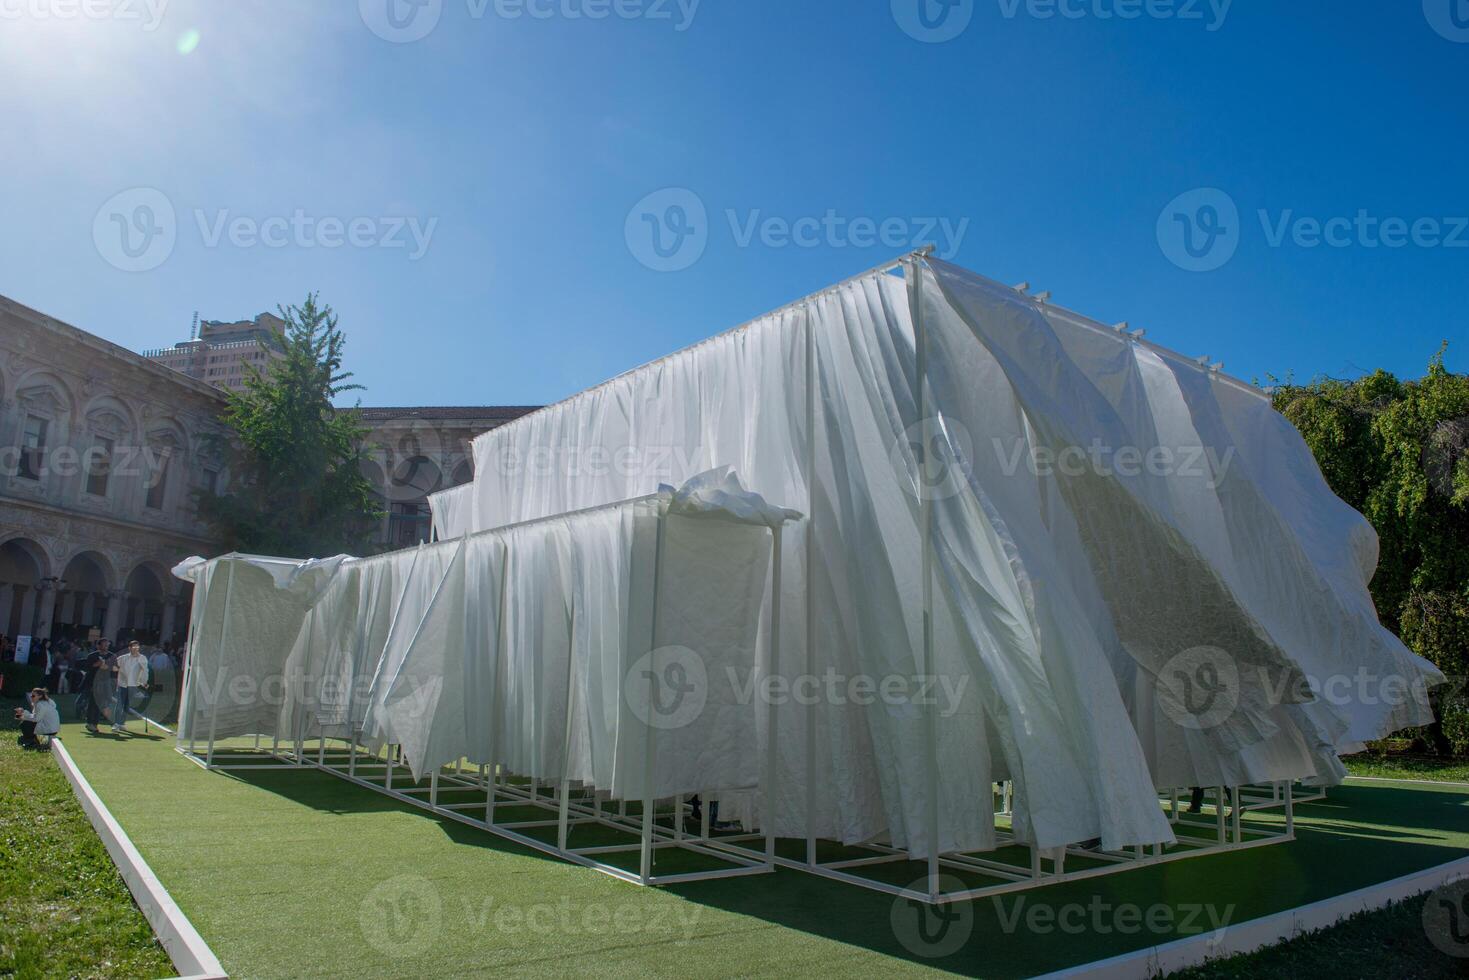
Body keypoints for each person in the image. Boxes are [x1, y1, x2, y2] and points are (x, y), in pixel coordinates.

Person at [111, 640, 149, 734]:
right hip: (122, 684)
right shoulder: (123, 658)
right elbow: (114, 667)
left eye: (137, 647)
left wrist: (144, 682)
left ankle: (122, 723)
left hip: (133, 685)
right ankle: (116, 724)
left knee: (127, 706)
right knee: (119, 704)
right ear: (130, 648)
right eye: (134, 647)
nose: (136, 649)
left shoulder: (142, 658)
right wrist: (115, 669)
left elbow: (145, 671)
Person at [77, 639, 109, 733]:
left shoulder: (111, 656)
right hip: (93, 683)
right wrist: (96, 664)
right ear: (98, 646)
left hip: (105, 683)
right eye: (104, 645)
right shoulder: (92, 656)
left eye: (107, 645)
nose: (106, 647)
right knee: (92, 703)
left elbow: (114, 668)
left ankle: (94, 723)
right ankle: (90, 723)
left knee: (100, 704)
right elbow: (87, 668)